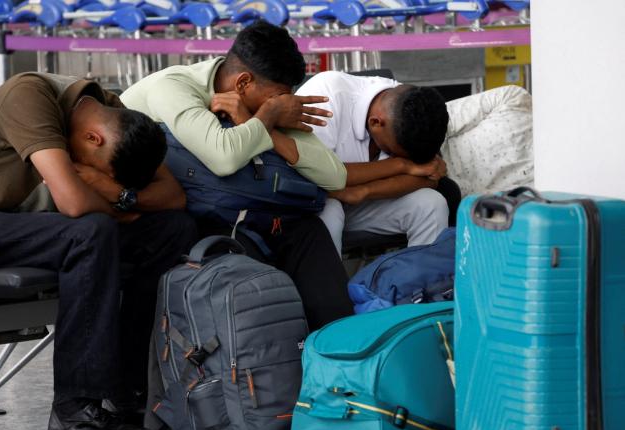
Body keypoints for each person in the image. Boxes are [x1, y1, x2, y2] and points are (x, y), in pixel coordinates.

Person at [0, 72, 198, 430]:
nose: (101, 178)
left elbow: (173, 197)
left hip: (44, 230)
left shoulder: (111, 109)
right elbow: (74, 204)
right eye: (103, 169)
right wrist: (123, 208)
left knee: (173, 228)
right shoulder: (29, 96)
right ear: (94, 138)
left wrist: (116, 193)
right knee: (90, 232)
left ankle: (129, 391)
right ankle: (74, 414)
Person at [121, 21, 354, 330]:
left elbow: (335, 176)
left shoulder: (263, 102)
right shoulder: (174, 86)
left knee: (309, 234)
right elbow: (223, 157)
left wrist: (260, 121)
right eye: (278, 97)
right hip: (175, 214)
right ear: (243, 82)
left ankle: (336, 350)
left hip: (244, 207)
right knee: (251, 267)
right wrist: (267, 116)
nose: (285, 103)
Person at [295, 71, 461, 254]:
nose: (394, 156)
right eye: (391, 152)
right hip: (316, 200)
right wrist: (401, 165)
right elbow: (316, 176)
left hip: (362, 202)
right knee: (329, 211)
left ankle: (419, 280)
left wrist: (364, 191)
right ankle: (327, 283)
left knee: (432, 203)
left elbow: (430, 177)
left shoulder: (411, 108)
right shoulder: (325, 97)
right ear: (376, 123)